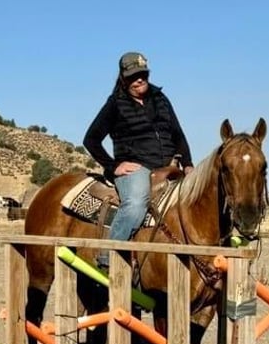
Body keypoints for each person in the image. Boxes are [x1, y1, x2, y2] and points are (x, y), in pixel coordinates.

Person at [83, 51, 193, 268]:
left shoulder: (160, 98)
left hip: (169, 166)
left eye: (142, 74)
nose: (139, 79)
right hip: (136, 168)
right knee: (135, 204)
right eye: (133, 76)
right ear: (123, 78)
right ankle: (109, 255)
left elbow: (177, 133)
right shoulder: (115, 103)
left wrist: (188, 164)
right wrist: (113, 166)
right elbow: (91, 139)